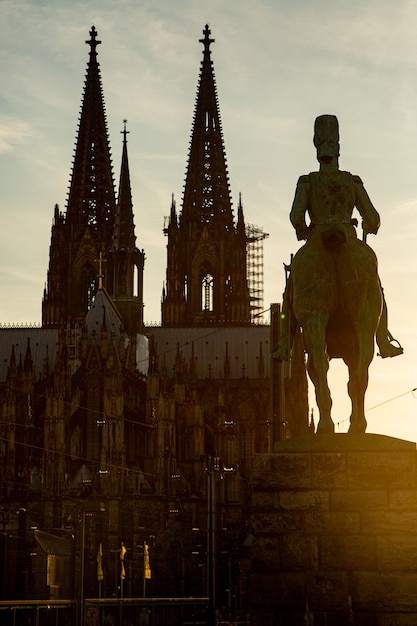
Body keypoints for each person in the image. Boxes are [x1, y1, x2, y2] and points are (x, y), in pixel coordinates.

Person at [277, 114, 402, 360]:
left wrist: (304, 230)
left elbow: (295, 217)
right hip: (348, 239)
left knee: (291, 290)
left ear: (316, 145)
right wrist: (368, 224)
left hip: (317, 240)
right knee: (375, 286)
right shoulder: (351, 181)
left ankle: (284, 344)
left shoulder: (307, 182)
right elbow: (374, 218)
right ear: (338, 146)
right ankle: (383, 339)